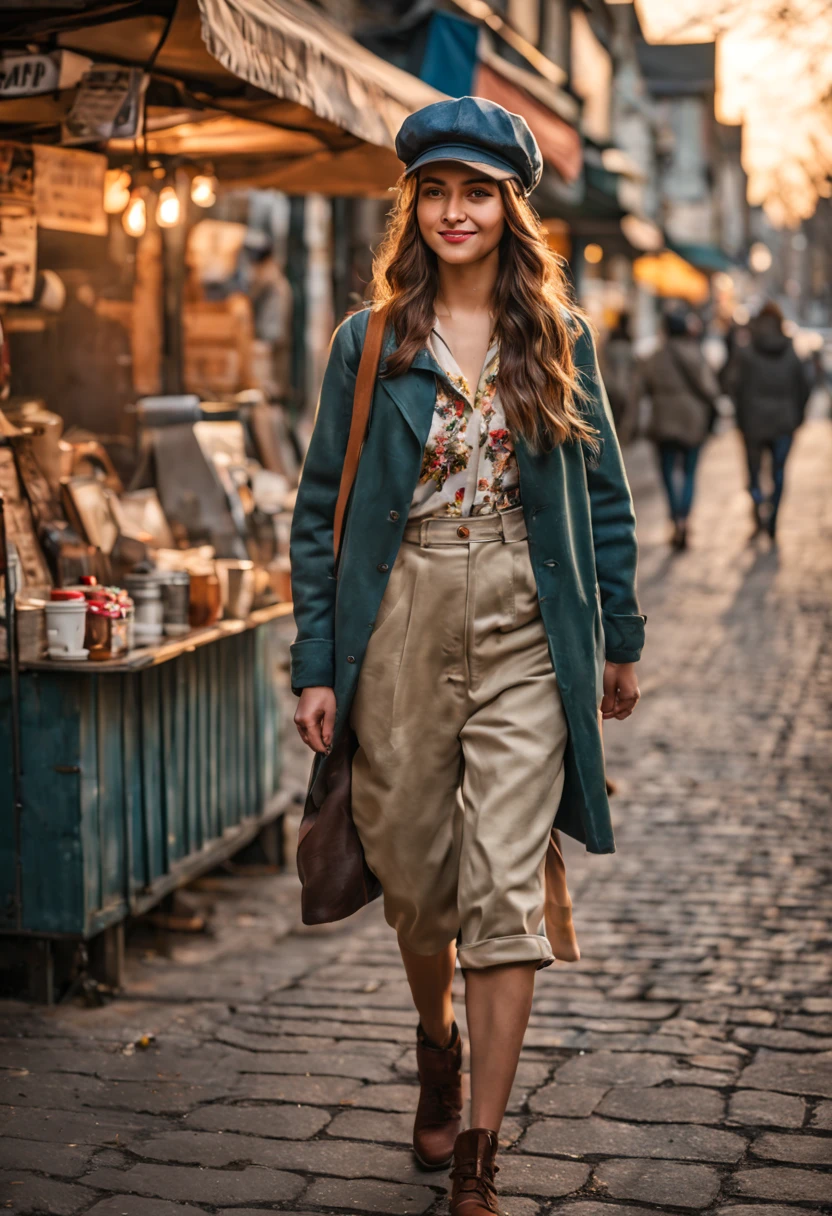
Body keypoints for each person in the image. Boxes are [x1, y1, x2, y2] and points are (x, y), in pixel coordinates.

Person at [290, 97, 645, 1214]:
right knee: (414, 878)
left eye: (477, 192)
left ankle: (480, 1153)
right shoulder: (371, 341)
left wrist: (618, 640)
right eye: (437, 190)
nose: (455, 210)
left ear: (509, 207)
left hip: (526, 613)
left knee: (500, 883)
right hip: (398, 611)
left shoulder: (558, 336)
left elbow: (604, 500)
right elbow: (316, 514)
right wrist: (315, 659)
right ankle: (432, 1037)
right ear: (416, 205)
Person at [725, 301, 810, 539]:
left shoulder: (747, 350)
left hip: (753, 423)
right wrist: (797, 416)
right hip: (784, 421)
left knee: (754, 472)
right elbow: (805, 386)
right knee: (779, 471)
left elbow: (732, 383)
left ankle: (758, 503)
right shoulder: (790, 351)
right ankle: (772, 514)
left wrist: (742, 411)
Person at [640, 309, 720, 550]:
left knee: (666, 472)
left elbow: (643, 386)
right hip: (693, 422)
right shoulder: (697, 354)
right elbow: (710, 389)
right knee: (689, 473)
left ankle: (675, 515)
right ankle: (684, 518)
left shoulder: (655, 357)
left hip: (664, 421)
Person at [601, 311, 639, 444]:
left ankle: (613, 435)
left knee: (612, 411)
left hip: (609, 381)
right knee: (622, 412)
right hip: (624, 383)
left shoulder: (611, 339)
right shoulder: (629, 340)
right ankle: (619, 437)